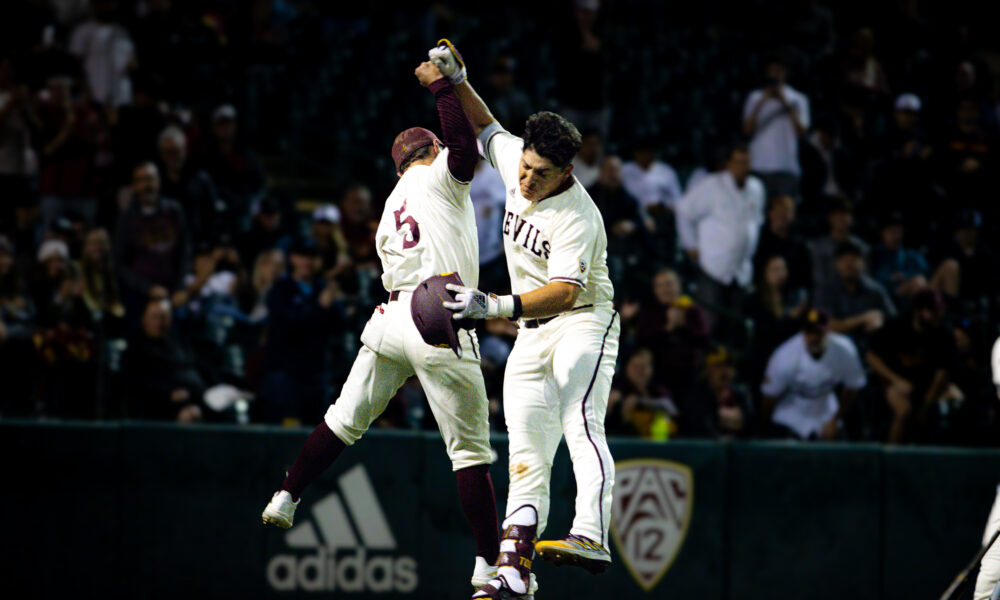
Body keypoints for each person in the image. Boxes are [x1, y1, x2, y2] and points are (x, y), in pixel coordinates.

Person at [261, 60, 510, 597]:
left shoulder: (388, 210)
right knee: (470, 453)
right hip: (440, 314)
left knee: (343, 421)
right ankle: (488, 564)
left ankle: (286, 494)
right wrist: (443, 88)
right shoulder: (440, 176)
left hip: (392, 318)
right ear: (430, 152)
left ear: (398, 167)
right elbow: (465, 150)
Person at [436, 39, 620, 596]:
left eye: (541, 172)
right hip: (529, 334)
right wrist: (458, 78)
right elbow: (489, 129)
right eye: (526, 165)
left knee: (579, 419)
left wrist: (493, 306)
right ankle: (514, 569)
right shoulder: (520, 156)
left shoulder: (578, 217)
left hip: (583, 322)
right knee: (525, 453)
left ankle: (591, 532)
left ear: (568, 170)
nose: (525, 178)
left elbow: (565, 292)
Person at [676, 142, 765, 318]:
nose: (742, 167)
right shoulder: (712, 185)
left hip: (742, 270)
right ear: (729, 163)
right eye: (738, 162)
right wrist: (691, 245)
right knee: (710, 321)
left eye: (746, 162)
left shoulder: (756, 188)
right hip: (713, 267)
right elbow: (683, 211)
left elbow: (757, 221)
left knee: (735, 325)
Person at [866, 288, 956, 444]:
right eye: (932, 311)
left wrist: (927, 403)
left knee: (955, 402)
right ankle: (891, 458)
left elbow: (942, 374)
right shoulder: (897, 326)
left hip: (928, 387)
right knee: (904, 411)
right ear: (918, 311)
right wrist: (895, 380)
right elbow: (871, 356)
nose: (937, 315)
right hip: (896, 384)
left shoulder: (944, 335)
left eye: (939, 310)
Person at [761, 309, 866, 440]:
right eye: (809, 332)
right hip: (794, 407)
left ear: (827, 331)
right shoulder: (784, 355)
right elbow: (769, 397)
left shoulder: (844, 349)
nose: (813, 338)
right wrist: (765, 431)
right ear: (803, 332)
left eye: (818, 332)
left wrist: (835, 419)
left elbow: (853, 387)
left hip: (826, 404)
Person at [114, 162, 191, 315]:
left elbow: (185, 251)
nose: (146, 185)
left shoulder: (174, 211)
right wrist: (147, 288)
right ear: (134, 186)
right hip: (140, 296)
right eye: (141, 180)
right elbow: (118, 264)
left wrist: (182, 287)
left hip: (174, 293)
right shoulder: (127, 219)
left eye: (150, 179)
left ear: (159, 182)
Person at [122, 298, 204, 423]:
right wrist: (168, 394)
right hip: (155, 408)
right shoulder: (135, 349)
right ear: (143, 319)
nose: (159, 322)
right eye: (155, 317)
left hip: (188, 401)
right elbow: (136, 385)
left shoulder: (179, 346)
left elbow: (192, 371)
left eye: (163, 317)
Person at [742, 54, 810, 196]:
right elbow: (747, 130)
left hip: (786, 167)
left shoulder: (798, 98)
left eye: (778, 70)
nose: (775, 74)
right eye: (771, 71)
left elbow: (802, 132)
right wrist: (762, 102)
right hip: (758, 166)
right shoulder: (754, 98)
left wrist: (784, 101)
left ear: (785, 73)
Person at [815, 241, 896, 348]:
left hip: (870, 347)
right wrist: (864, 318)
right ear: (836, 264)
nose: (849, 264)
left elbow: (894, 321)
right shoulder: (825, 291)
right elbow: (825, 325)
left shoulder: (876, 290)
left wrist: (880, 322)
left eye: (854, 259)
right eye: (844, 260)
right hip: (837, 350)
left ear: (863, 263)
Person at [681, 346, 753, 439]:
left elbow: (752, 428)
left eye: (729, 365)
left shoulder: (741, 394)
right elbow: (701, 430)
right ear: (706, 370)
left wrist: (743, 421)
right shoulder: (696, 396)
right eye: (719, 365)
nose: (725, 371)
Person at [808, 196, 870, 296]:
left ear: (851, 218)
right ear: (830, 218)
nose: (841, 219)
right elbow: (819, 280)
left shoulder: (862, 247)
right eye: (837, 215)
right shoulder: (819, 248)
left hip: (857, 296)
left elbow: (866, 277)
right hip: (829, 296)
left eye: (845, 214)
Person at [752, 194, 812, 293]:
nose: (782, 216)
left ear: (793, 216)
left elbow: (804, 277)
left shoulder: (798, 243)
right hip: (763, 292)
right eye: (779, 211)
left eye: (787, 212)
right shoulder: (758, 240)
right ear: (770, 213)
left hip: (791, 293)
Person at [620, 137, 683, 213]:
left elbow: (678, 199)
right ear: (635, 153)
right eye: (642, 152)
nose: (645, 156)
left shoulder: (666, 171)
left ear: (654, 153)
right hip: (633, 214)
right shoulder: (624, 170)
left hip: (662, 215)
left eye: (648, 152)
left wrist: (664, 207)